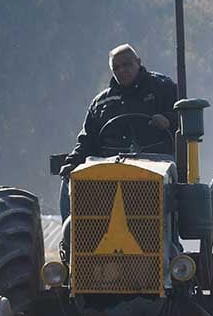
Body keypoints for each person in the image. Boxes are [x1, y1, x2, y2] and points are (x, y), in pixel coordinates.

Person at [59, 44, 178, 218]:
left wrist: (169, 120)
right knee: (69, 179)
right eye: (117, 67)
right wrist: (72, 162)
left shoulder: (163, 88)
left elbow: (183, 116)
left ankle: (168, 235)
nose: (122, 70)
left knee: (183, 191)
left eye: (127, 65)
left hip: (156, 167)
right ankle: (71, 239)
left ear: (138, 62)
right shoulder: (101, 104)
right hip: (108, 168)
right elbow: (87, 141)